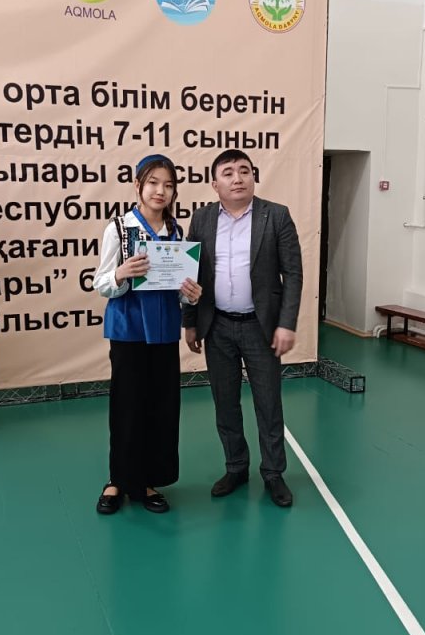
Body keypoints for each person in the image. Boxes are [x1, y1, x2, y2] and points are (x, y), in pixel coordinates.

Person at [183, 150, 303, 507]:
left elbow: (293, 273)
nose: (237, 178)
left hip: (260, 328)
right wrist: (190, 322)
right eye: (228, 172)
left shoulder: (276, 215)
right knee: (225, 403)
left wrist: (286, 323)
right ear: (214, 183)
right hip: (217, 325)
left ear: (253, 177)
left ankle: (273, 473)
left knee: (268, 403)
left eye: (244, 171)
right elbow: (190, 275)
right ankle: (235, 467)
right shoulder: (202, 218)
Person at [93, 155, 202, 515]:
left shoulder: (176, 232)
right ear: (138, 185)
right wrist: (121, 273)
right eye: (153, 182)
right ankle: (118, 480)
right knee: (127, 406)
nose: (161, 191)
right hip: (128, 329)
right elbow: (101, 283)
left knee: (161, 407)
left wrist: (190, 294)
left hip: (164, 330)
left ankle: (148, 481)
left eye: (168, 185)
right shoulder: (118, 228)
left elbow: (176, 287)